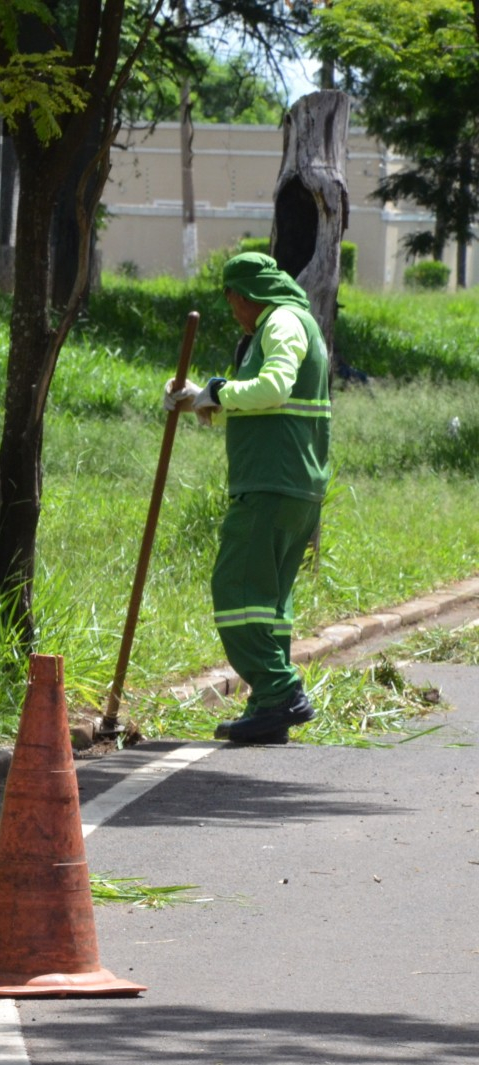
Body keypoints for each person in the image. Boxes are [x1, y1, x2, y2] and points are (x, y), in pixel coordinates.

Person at [164, 251, 332, 745]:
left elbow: (274, 387)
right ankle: (267, 708)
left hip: (272, 481)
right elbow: (258, 397)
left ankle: (280, 690)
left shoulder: (280, 322)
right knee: (267, 601)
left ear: (245, 296)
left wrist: (216, 391)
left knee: (236, 591)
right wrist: (201, 396)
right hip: (293, 482)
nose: (233, 311)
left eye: (234, 301)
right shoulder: (290, 321)